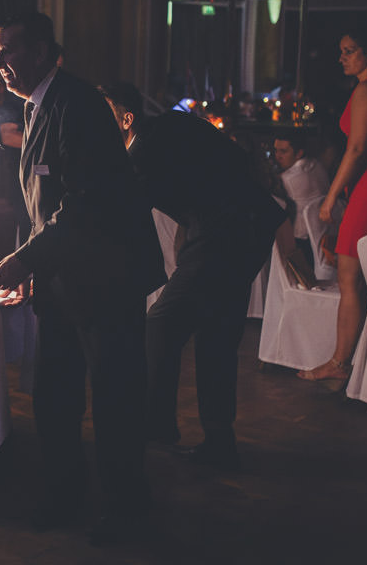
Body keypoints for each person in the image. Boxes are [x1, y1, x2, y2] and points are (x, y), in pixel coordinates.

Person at [0, 14, 165, 543]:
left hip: (107, 276)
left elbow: (86, 202)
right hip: (63, 276)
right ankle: (64, 494)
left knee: (115, 399)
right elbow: (43, 202)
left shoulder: (79, 104)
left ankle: (127, 510)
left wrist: (27, 258)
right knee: (54, 394)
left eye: (8, 50)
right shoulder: (37, 105)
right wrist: (37, 264)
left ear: (42, 50)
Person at [101, 82, 285, 471]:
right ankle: (220, 443)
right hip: (249, 225)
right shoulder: (172, 123)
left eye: (102, 116)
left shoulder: (140, 154)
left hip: (226, 234)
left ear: (126, 118)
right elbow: (236, 157)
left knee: (161, 323)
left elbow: (120, 218)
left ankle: (157, 427)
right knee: (216, 334)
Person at [299, 24, 367, 382]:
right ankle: (353, 363)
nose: (341, 58)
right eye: (341, 51)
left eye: (349, 51)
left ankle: (340, 364)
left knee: (349, 278)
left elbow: (356, 149)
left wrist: (329, 198)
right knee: (360, 279)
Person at [273, 134, 330, 266]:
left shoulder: (288, 178)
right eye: (276, 150)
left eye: (283, 151)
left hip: (302, 240)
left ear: (299, 153)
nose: (277, 156)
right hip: (326, 231)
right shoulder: (317, 165)